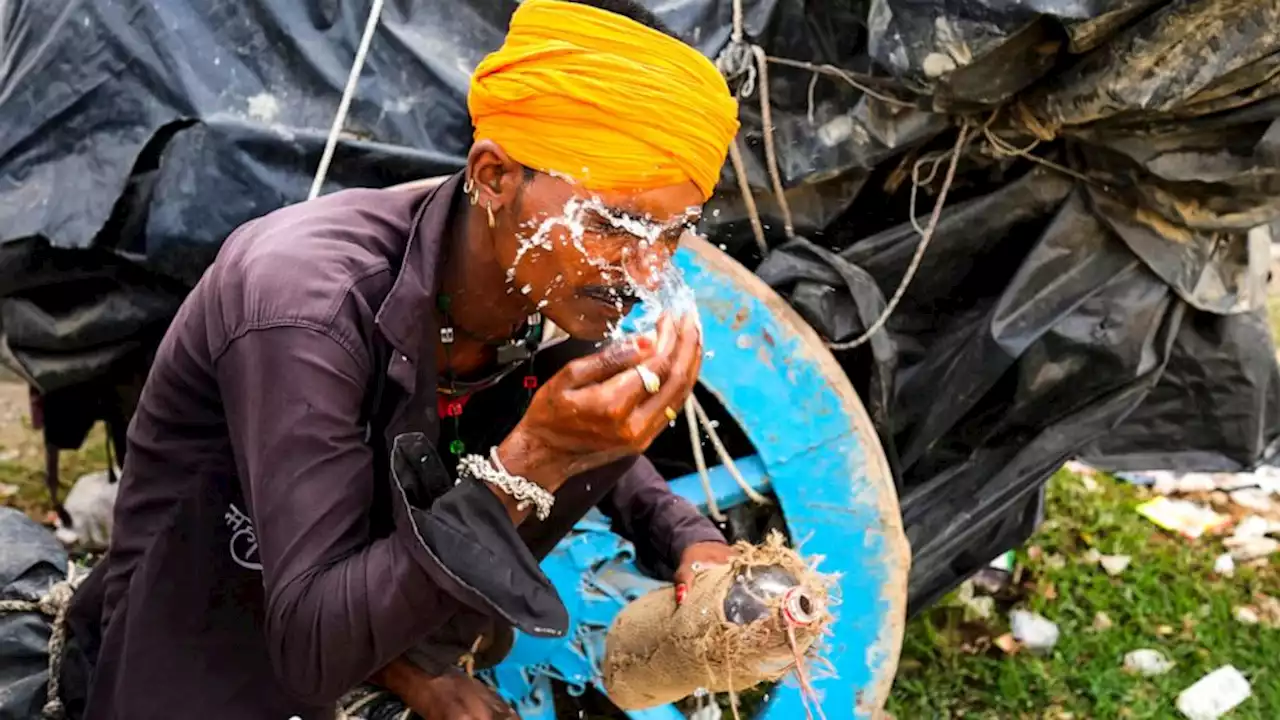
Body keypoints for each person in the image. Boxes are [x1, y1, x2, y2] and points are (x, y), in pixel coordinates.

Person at [59, 0, 743, 718]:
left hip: (375, 621)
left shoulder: (534, 279)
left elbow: (568, 421)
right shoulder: (305, 305)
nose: (643, 270)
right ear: (494, 176)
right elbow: (313, 647)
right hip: (207, 653)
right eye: (610, 223)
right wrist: (535, 458)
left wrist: (688, 537)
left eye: (671, 235)